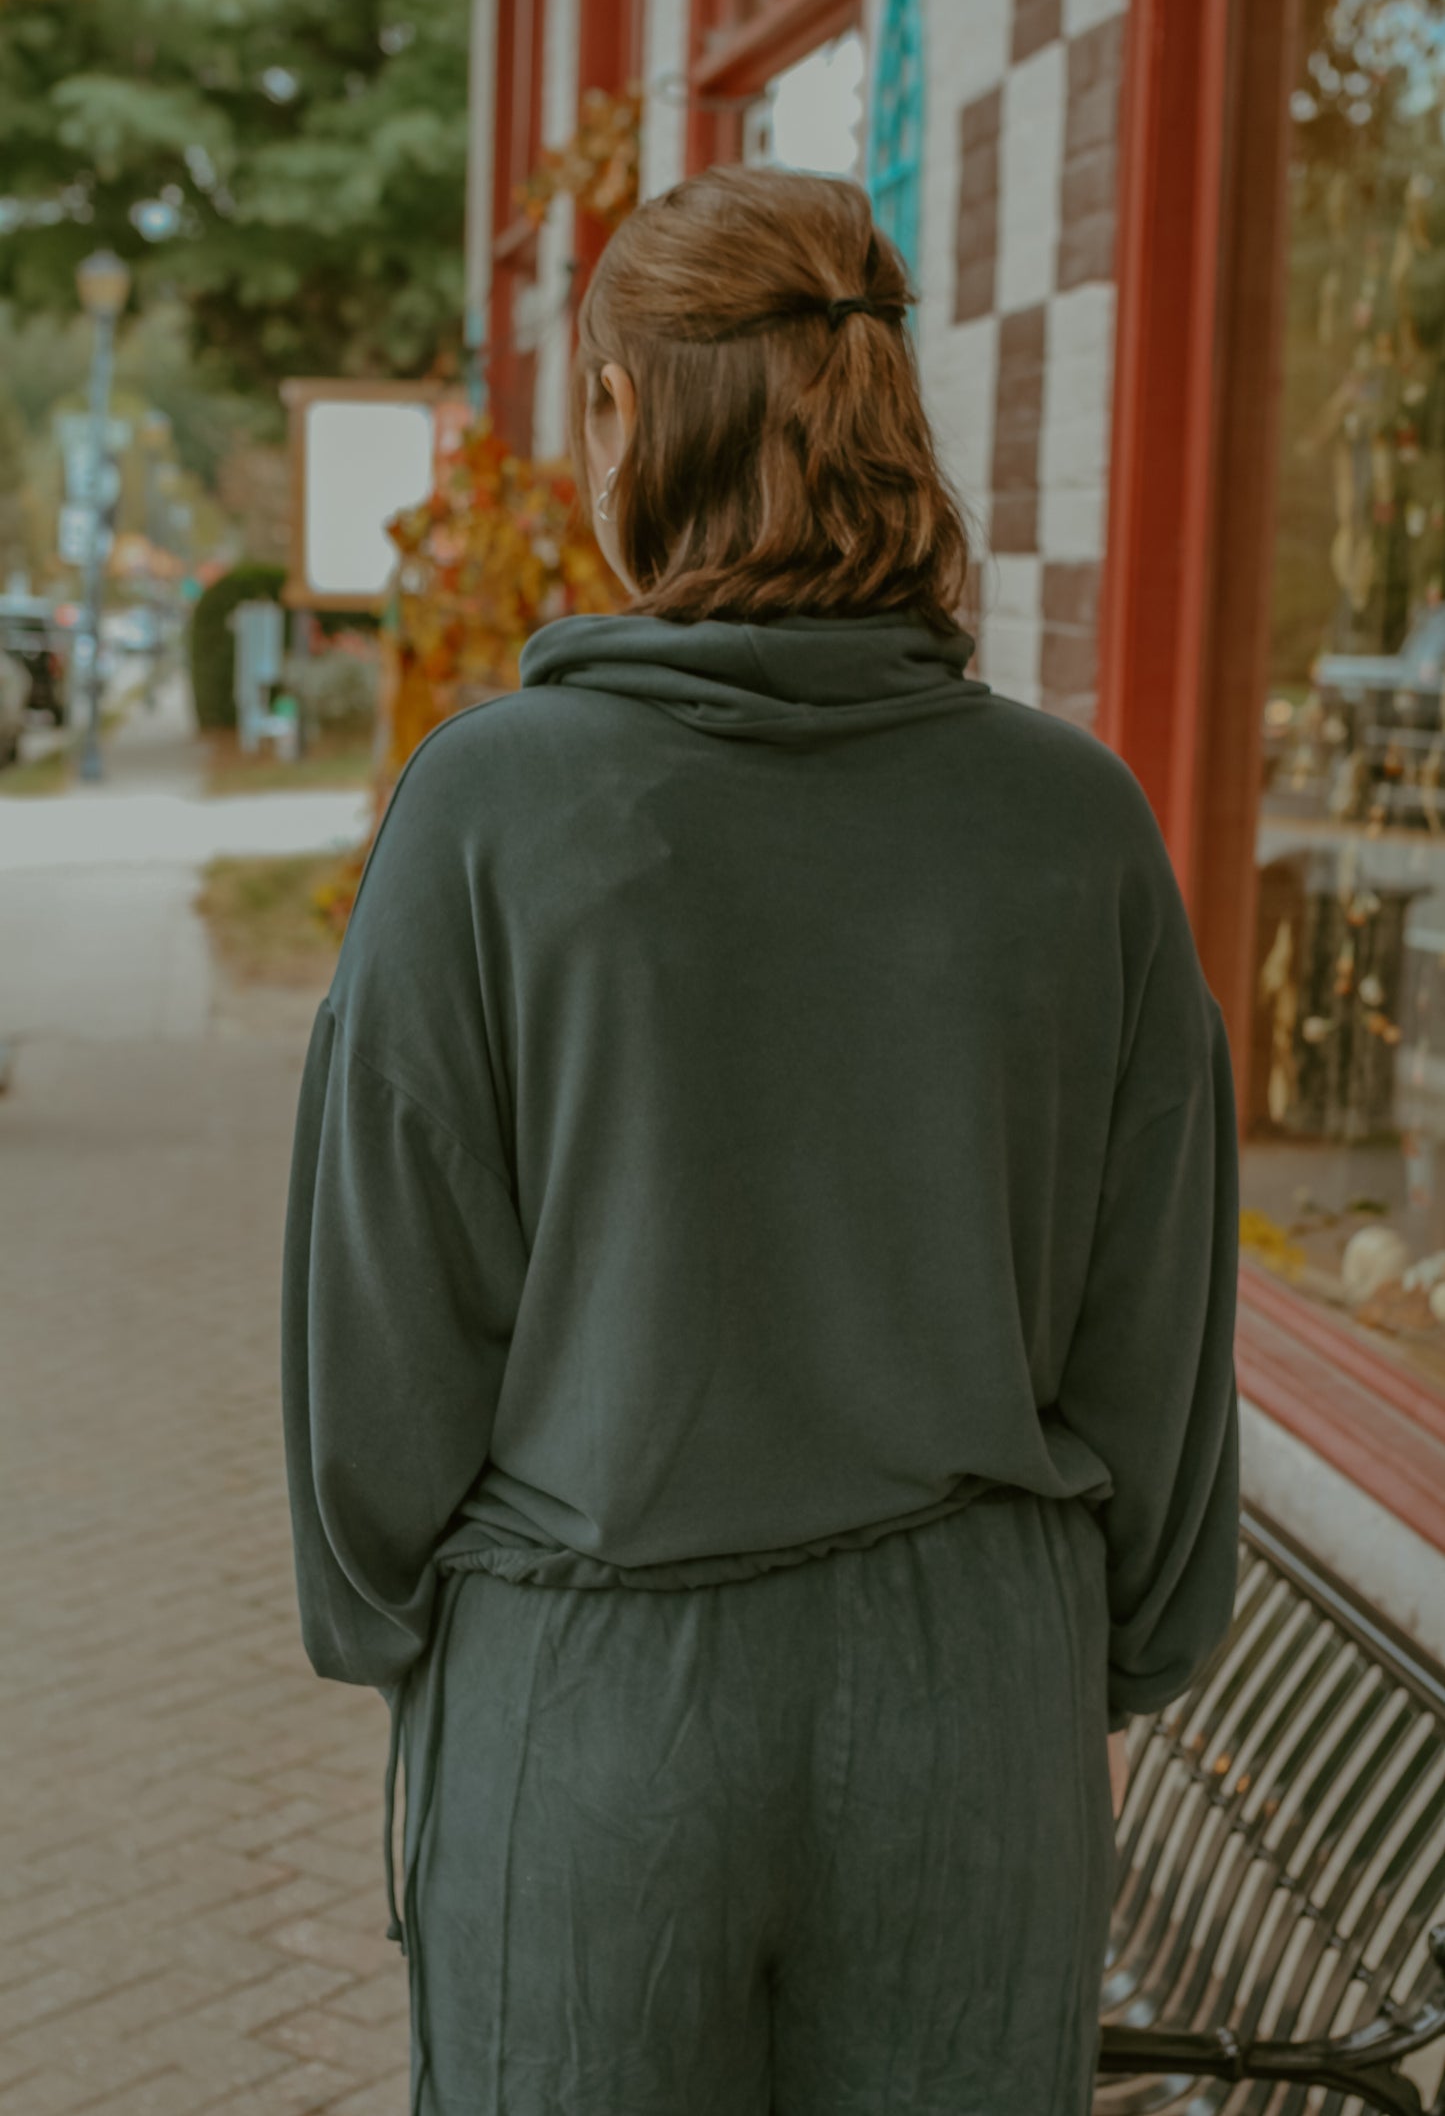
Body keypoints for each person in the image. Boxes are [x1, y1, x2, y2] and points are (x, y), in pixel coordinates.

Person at [281, 164, 1241, 2116]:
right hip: (976, 1697)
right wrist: (1092, 1664)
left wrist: (411, 1625)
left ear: (639, 413)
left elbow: (384, 1328)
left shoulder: (490, 806)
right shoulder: (1079, 824)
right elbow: (1159, 1323)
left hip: (595, 1670)